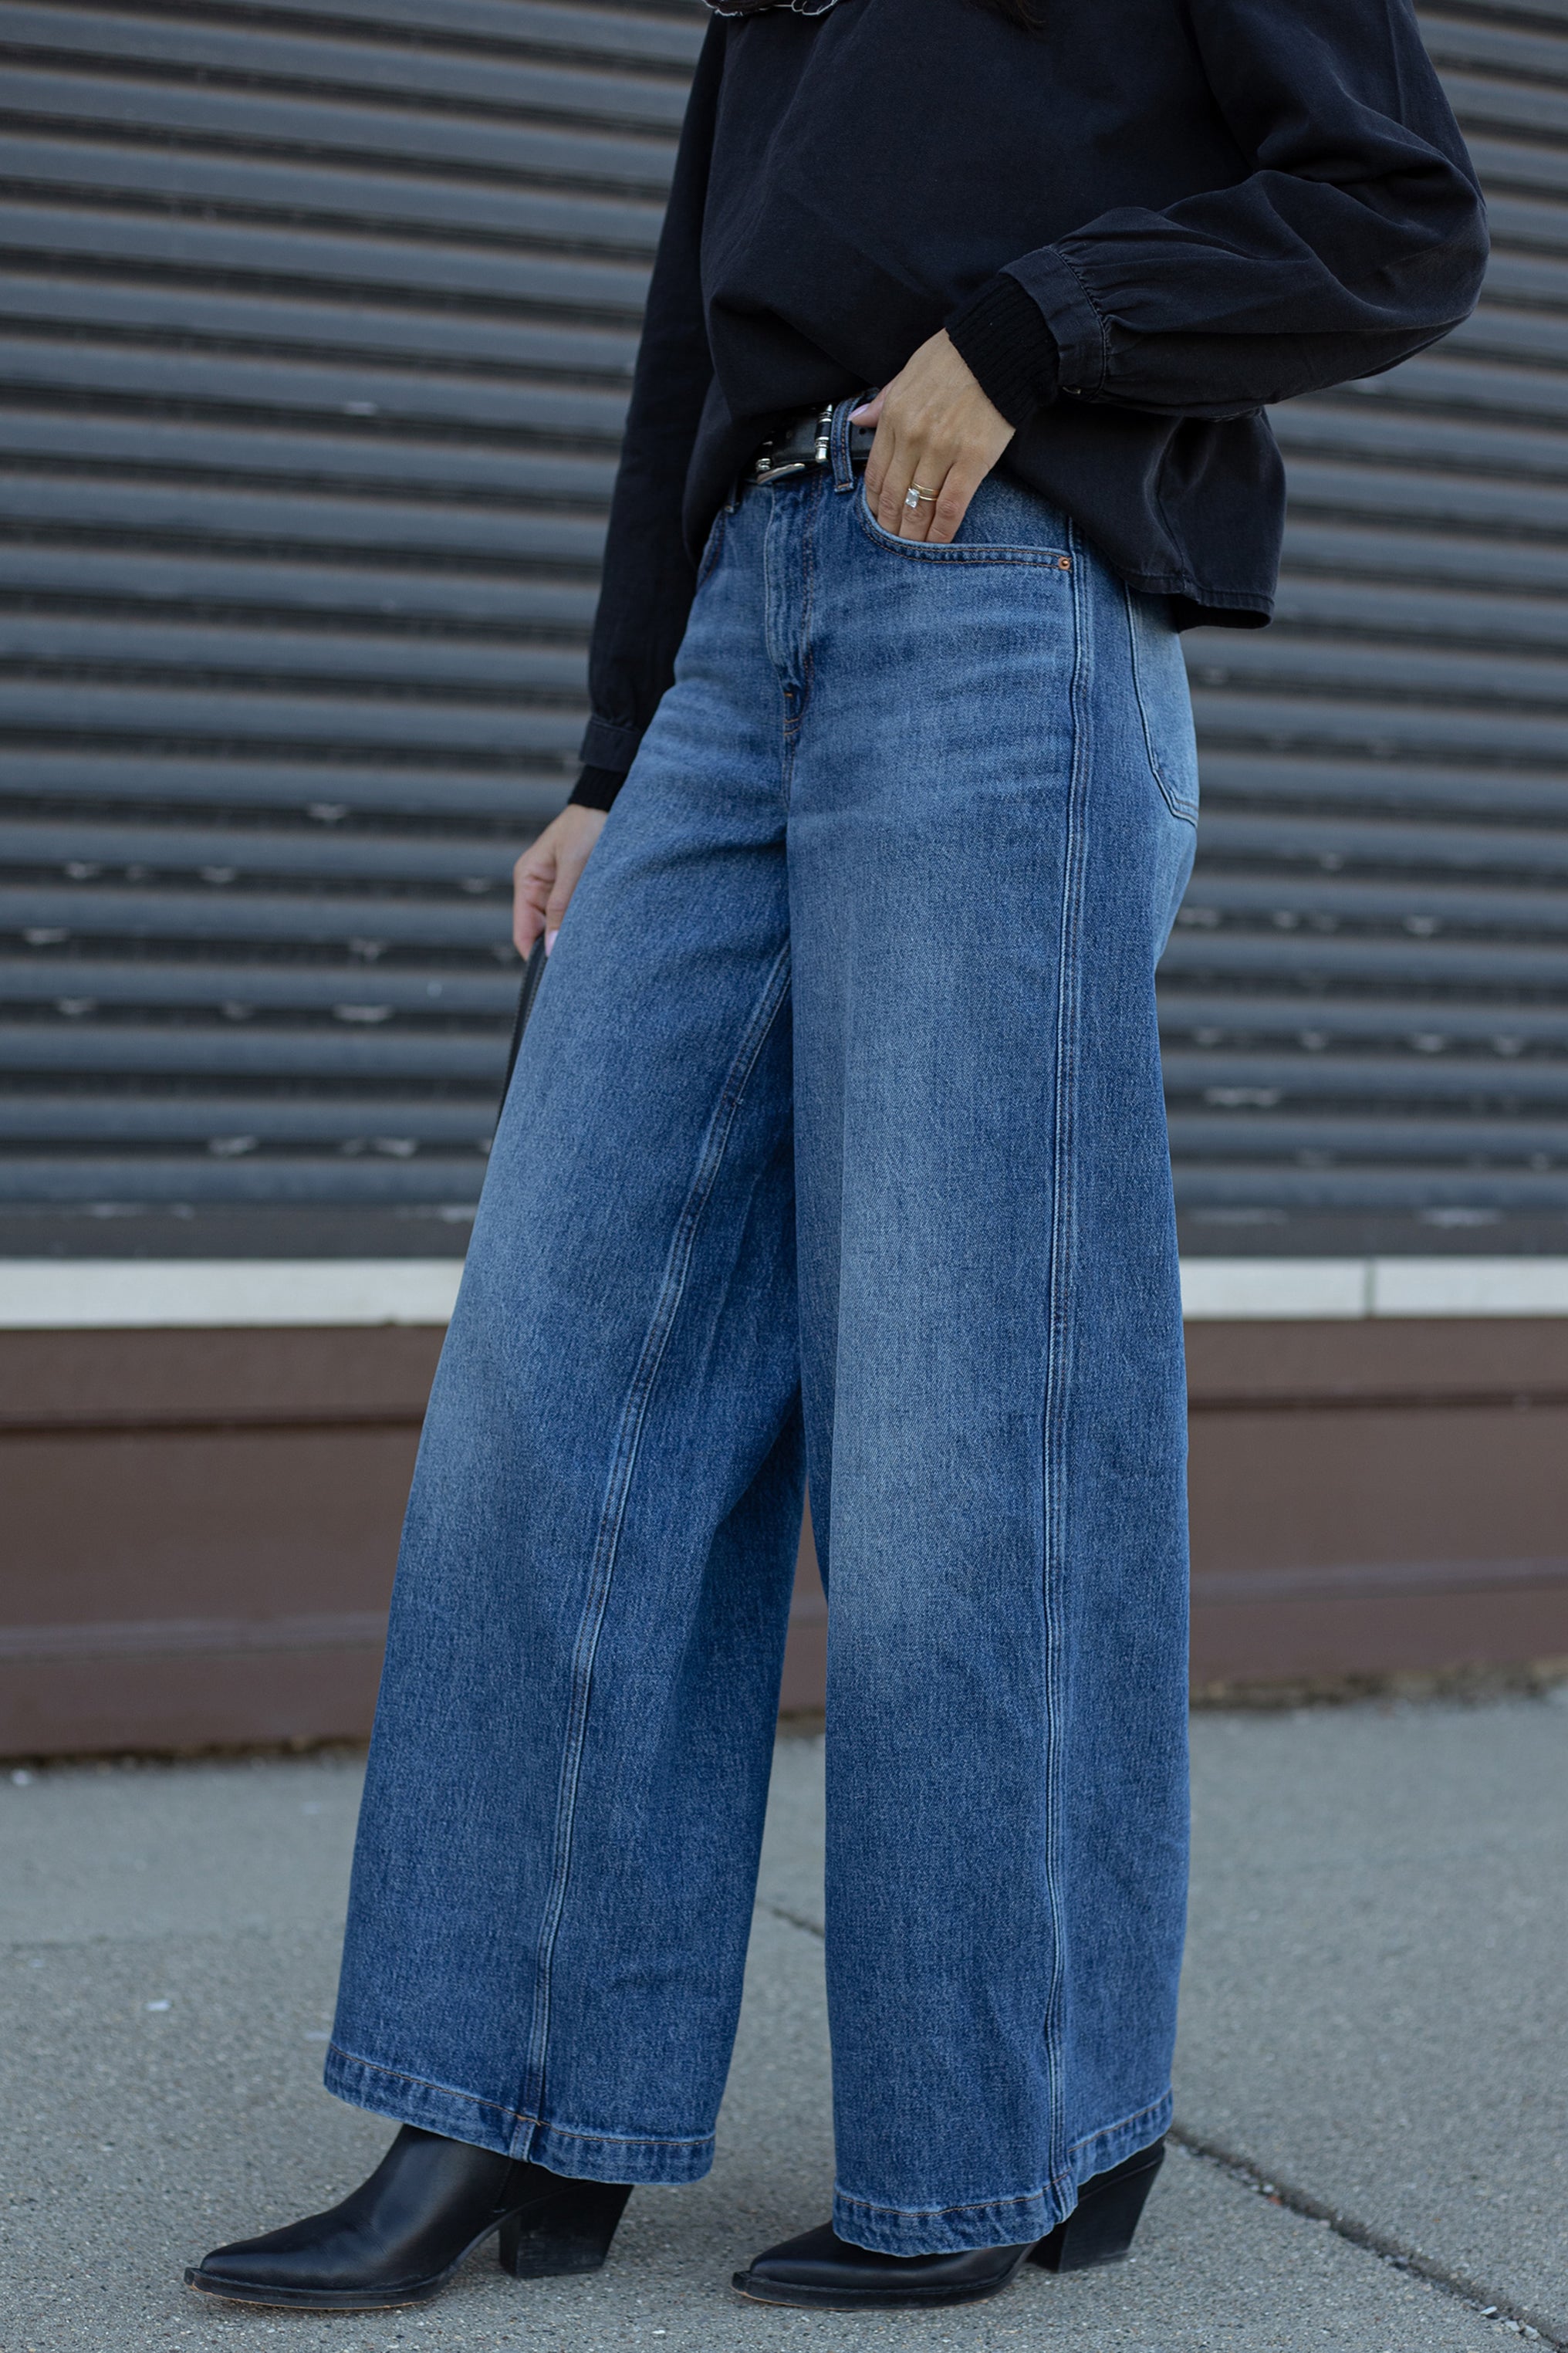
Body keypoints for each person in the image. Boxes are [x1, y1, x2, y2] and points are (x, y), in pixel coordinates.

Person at [185, 0, 1484, 2317]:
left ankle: (1022, 2116)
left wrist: (1032, 332)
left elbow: (1398, 214)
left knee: (965, 1419)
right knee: (550, 1374)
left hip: (1001, 597)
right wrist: (610, 741)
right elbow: (691, 343)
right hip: (738, 625)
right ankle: (498, 2101)